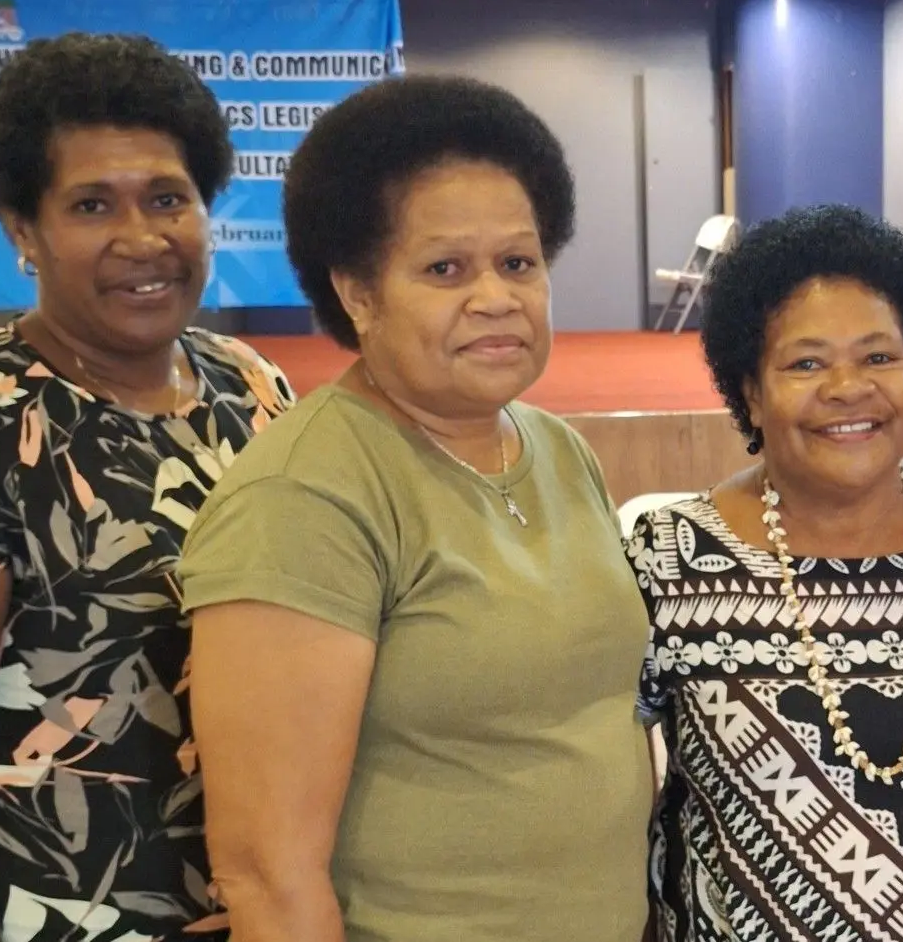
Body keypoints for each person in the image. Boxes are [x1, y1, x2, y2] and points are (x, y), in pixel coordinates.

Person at [178, 75, 650, 942]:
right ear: (358, 292)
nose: (496, 297)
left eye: (519, 261)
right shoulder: (306, 497)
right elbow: (268, 872)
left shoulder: (555, 447)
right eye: (445, 269)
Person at [0, 33, 293, 942]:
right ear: (23, 228)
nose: (143, 239)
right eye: (92, 204)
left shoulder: (249, 386)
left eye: (168, 198)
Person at [633, 204, 903, 941]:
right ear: (748, 390)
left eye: (879, 357)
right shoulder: (669, 558)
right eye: (805, 362)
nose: (848, 387)